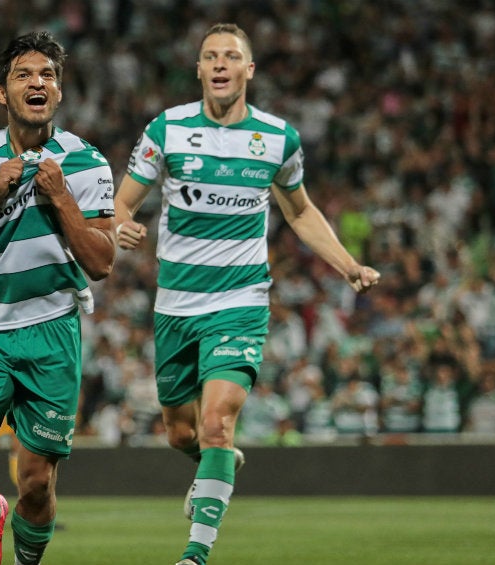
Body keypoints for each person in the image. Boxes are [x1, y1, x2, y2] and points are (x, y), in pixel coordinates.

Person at [114, 23, 380, 565]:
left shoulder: (278, 139)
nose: (219, 64)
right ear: (199, 70)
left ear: (247, 70)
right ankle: (220, 462)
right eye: (209, 56)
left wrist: (347, 265)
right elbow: (121, 205)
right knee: (181, 432)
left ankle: (195, 555)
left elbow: (299, 211)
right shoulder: (167, 130)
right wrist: (118, 226)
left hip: (240, 302)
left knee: (217, 422)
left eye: (230, 56)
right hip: (175, 306)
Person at [0, 31, 116, 565]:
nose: (37, 82)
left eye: (48, 75)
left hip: (53, 330)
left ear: (58, 92)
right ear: (2, 93)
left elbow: (102, 262)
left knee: (36, 485)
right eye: (23, 75)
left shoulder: (87, 164)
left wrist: (61, 198)